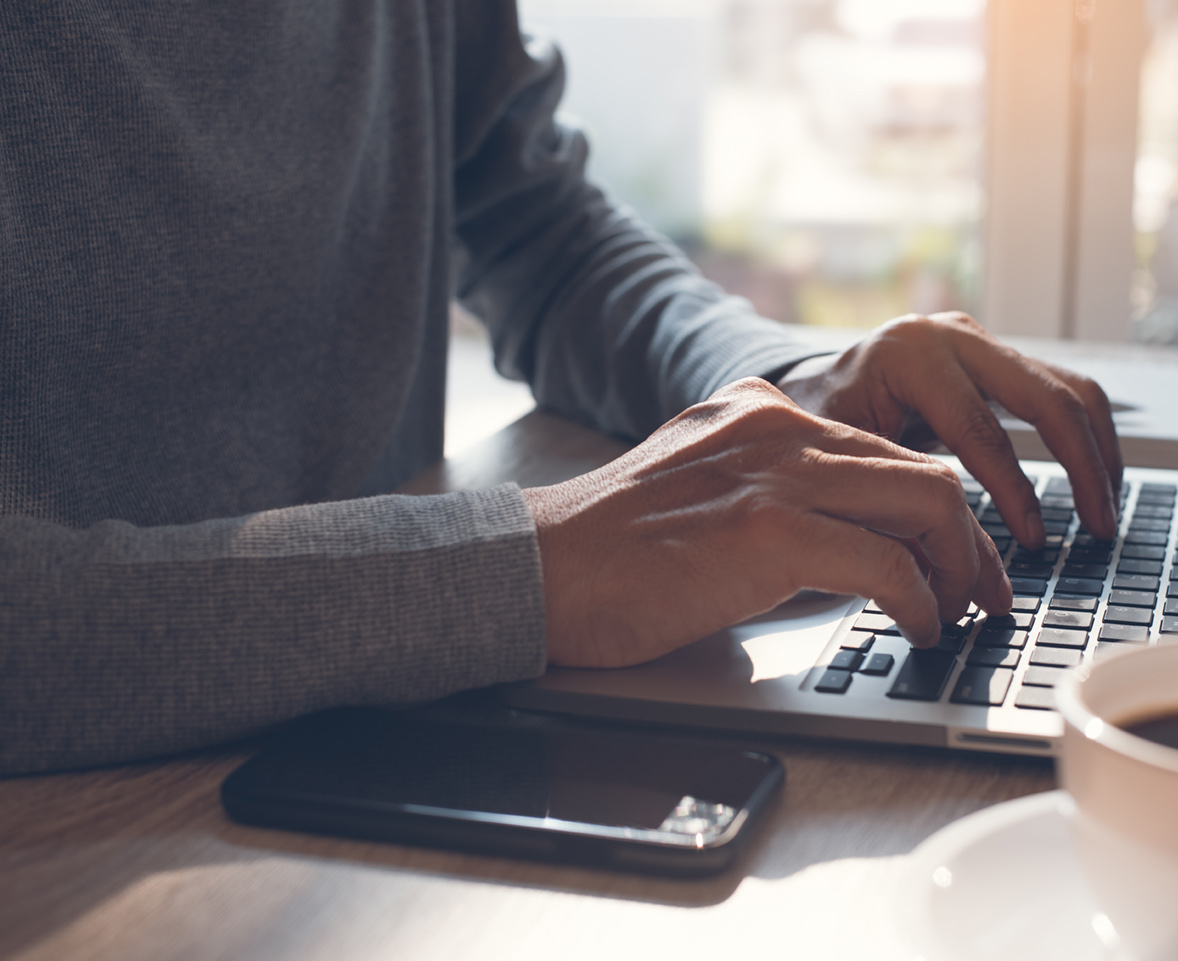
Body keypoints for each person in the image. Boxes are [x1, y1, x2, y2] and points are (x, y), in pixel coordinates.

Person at [0, 0, 1121, 776]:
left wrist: (779, 375)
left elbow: (532, 218)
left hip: (381, 735)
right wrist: (533, 567)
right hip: (77, 840)